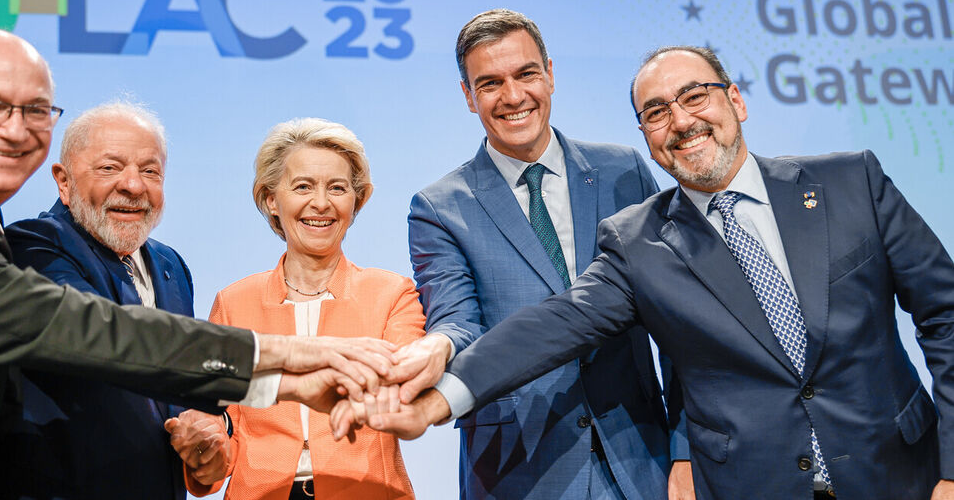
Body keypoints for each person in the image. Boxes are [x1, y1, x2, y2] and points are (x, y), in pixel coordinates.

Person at [368, 45, 954, 500]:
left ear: (737, 101)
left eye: (695, 96)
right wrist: (440, 398)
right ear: (647, 139)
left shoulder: (851, 182)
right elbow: (550, 326)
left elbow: (946, 318)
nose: (680, 120)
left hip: (906, 477)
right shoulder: (639, 243)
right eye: (655, 112)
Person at [0, 29, 394, 500]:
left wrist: (210, 434)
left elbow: (168, 390)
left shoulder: (166, 266)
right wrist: (293, 366)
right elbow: (87, 334)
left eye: (36, 110)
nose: (15, 129)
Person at [392, 9, 678, 500]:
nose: (513, 96)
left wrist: (687, 450)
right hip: (517, 470)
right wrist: (438, 347)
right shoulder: (439, 207)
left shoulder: (625, 171)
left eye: (526, 74)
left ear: (550, 74)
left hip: (641, 457)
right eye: (490, 83)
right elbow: (458, 321)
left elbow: (676, 319)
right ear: (468, 96)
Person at [166, 118, 425, 499]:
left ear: (356, 202)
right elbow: (223, 435)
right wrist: (206, 450)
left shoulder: (392, 294)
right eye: (303, 186)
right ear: (272, 199)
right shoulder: (233, 302)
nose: (320, 203)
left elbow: (404, 398)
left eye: (337, 188)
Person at [0, 102, 213, 499]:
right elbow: (112, 340)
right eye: (110, 168)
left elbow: (187, 392)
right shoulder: (34, 247)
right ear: (63, 181)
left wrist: (210, 433)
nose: (133, 185)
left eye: (150, 171)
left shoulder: (172, 266)